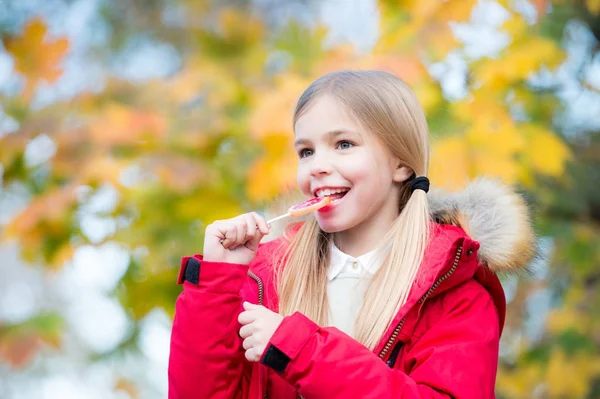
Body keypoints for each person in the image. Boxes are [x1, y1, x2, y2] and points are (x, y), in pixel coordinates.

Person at [168, 70, 535, 399]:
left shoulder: (454, 289)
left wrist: (302, 350)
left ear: (401, 163)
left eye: (343, 144)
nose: (318, 167)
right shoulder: (267, 277)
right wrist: (217, 283)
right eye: (306, 151)